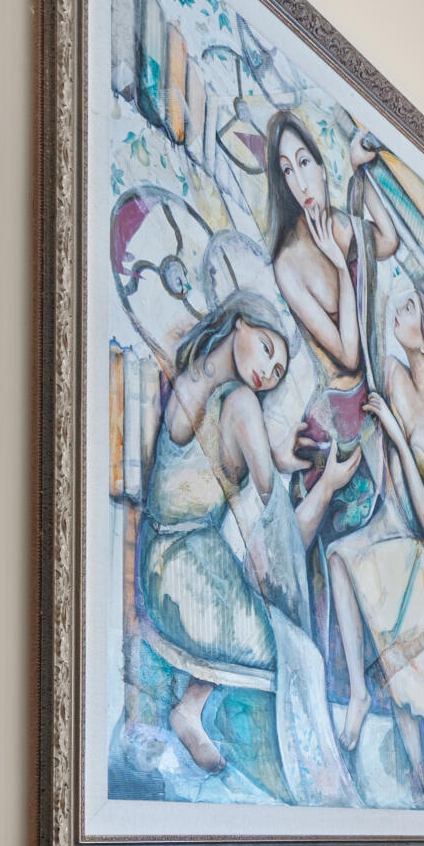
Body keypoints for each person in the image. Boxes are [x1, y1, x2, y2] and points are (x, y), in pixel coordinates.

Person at [326, 272, 424, 799]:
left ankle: (419, 778)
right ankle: (361, 697)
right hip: (384, 527)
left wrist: (396, 438)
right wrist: (347, 272)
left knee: (408, 680)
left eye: (410, 309)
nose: (399, 311)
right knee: (339, 556)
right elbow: (358, 356)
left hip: (413, 549)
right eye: (402, 303)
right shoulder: (389, 371)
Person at [136, 293, 295, 775]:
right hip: (183, 564)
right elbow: (266, 494)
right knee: (279, 646)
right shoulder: (238, 399)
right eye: (269, 350)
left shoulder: (201, 378)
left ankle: (190, 708)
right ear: (241, 324)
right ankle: (192, 711)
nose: (269, 372)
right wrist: (264, 557)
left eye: (279, 372)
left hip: (165, 555)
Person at [264, 109, 399, 671]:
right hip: (337, 422)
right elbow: (345, 353)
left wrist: (358, 175)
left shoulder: (342, 223)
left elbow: (387, 239)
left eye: (306, 164)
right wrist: (340, 267)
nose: (300, 181)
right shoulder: (289, 264)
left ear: (319, 167)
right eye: (287, 172)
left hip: (369, 405)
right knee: (335, 556)